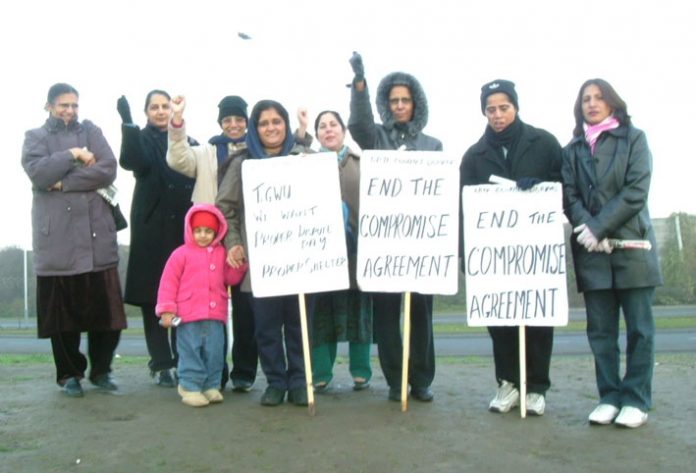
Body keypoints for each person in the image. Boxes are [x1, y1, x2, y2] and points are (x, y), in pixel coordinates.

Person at [561, 78, 662, 428]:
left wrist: (600, 226)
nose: (591, 103)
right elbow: (569, 196)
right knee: (601, 332)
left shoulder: (634, 139)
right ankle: (609, 396)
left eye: (598, 97)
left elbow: (636, 191)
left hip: (633, 250)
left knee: (639, 331)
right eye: (585, 99)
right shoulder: (572, 149)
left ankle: (636, 399)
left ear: (613, 102)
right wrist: (587, 229)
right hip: (592, 255)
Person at [460, 79, 562, 416]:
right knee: (499, 318)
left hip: (535, 253)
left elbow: (564, 187)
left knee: (537, 318)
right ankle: (507, 382)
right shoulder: (474, 156)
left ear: (515, 107)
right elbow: (463, 206)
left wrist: (544, 188)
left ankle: (535, 388)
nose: (497, 115)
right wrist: (466, 253)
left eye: (504, 107)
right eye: (491, 109)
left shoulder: (545, 143)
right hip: (493, 257)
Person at [21, 83, 127, 397]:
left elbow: (107, 170)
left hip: (97, 238)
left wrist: (62, 183)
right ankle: (69, 374)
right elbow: (39, 175)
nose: (70, 111)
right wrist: (74, 154)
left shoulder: (91, 130)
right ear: (49, 106)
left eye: (74, 105)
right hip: (58, 242)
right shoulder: (35, 138)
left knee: (107, 318)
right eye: (63, 105)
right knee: (62, 320)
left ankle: (101, 371)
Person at [347, 52, 442, 402]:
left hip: (420, 247)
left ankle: (421, 380)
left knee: (420, 315)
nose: (400, 106)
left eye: (405, 100)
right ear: (386, 104)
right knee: (386, 317)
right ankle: (395, 380)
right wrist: (360, 85)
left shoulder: (434, 146)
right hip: (383, 245)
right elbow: (357, 125)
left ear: (416, 104)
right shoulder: (375, 139)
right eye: (393, 100)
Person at [216, 99, 314, 406]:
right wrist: (233, 242)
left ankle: (299, 381)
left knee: (299, 326)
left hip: (302, 260)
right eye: (264, 123)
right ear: (255, 128)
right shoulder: (241, 163)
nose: (271, 128)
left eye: (276, 121)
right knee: (267, 328)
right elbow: (225, 208)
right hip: (261, 263)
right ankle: (275, 382)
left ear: (285, 125)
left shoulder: (306, 159)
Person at [166, 95, 258, 392]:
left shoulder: (256, 151)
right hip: (206, 239)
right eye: (228, 120)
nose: (234, 125)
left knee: (246, 310)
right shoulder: (205, 152)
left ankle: (244, 372)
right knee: (201, 312)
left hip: (242, 239)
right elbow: (178, 158)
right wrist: (177, 123)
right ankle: (205, 376)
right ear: (220, 123)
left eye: (239, 119)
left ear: (247, 122)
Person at [117, 90, 196, 387]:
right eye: (155, 107)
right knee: (154, 299)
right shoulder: (142, 139)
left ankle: (182, 358)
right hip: (151, 228)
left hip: (182, 231)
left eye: (165, 106)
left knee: (181, 297)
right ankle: (162, 363)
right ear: (146, 111)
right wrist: (127, 123)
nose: (161, 111)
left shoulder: (187, 139)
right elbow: (131, 160)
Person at [156, 204, 247, 407]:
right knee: (190, 352)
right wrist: (166, 310)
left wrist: (240, 265)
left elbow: (230, 278)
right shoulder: (180, 255)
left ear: (216, 232)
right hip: (188, 317)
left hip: (216, 315)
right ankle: (190, 386)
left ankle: (211, 385)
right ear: (191, 230)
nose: (203, 235)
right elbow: (168, 283)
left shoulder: (222, 253)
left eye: (208, 231)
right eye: (198, 231)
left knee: (215, 353)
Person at [309, 110, 373, 393]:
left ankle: (361, 371)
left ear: (344, 129)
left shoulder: (362, 164)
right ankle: (321, 372)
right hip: (319, 254)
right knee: (322, 314)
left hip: (358, 250)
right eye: (322, 126)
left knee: (359, 312)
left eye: (333, 124)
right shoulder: (305, 164)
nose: (328, 129)